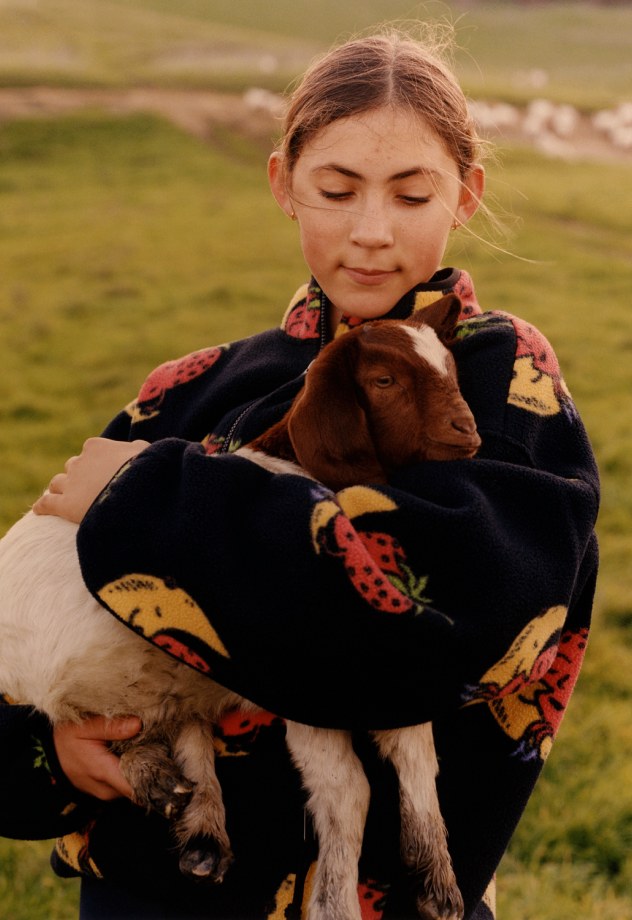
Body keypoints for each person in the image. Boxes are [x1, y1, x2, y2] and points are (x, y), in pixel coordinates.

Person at [0, 28, 599, 920]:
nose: (370, 230)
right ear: (284, 184)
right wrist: (54, 752)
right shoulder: (189, 391)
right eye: (336, 188)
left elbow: (435, 623)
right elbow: (32, 610)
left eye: (411, 193)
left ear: (467, 194)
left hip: (382, 900)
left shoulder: (503, 380)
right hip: (148, 893)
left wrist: (145, 496)